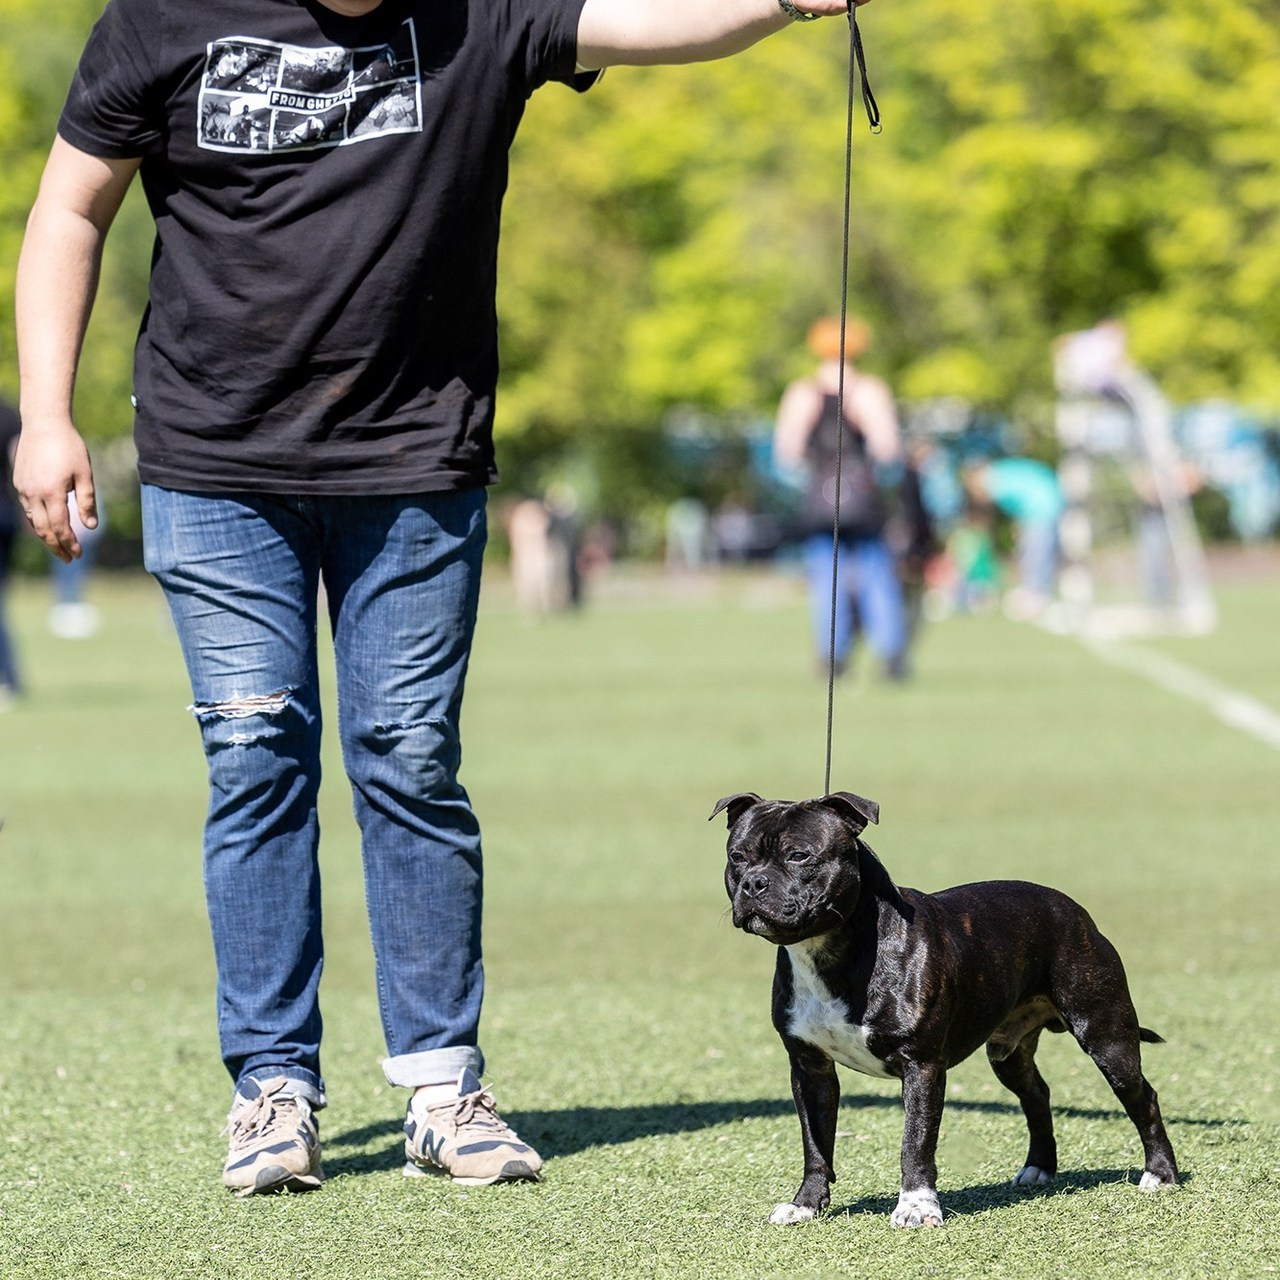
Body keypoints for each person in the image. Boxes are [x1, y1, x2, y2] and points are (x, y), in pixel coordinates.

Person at [13, 0, 861, 1197]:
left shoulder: (481, 11)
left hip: (414, 462)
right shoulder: (160, 17)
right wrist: (47, 413)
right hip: (215, 463)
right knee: (255, 757)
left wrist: (778, 0)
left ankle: (440, 1086)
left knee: (408, 759)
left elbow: (650, 19)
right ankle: (272, 1088)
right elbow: (69, 207)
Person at [774, 315, 909, 679]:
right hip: (864, 499)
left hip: (820, 498)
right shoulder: (869, 390)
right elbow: (887, 449)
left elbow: (786, 453)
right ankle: (891, 653)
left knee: (826, 576)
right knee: (876, 572)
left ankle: (832, 655)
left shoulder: (803, 393)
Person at [962, 457, 1064, 620]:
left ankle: (1035, 597)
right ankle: (1037, 593)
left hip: (1041, 507)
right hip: (1050, 498)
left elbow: (1018, 504)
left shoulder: (994, 483)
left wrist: (1020, 526)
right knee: (1038, 553)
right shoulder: (1001, 471)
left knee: (1035, 554)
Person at [0, 401, 22, 709]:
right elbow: (20, 460)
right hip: (6, 515)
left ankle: (7, 677)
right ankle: (10, 677)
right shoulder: (7, 412)